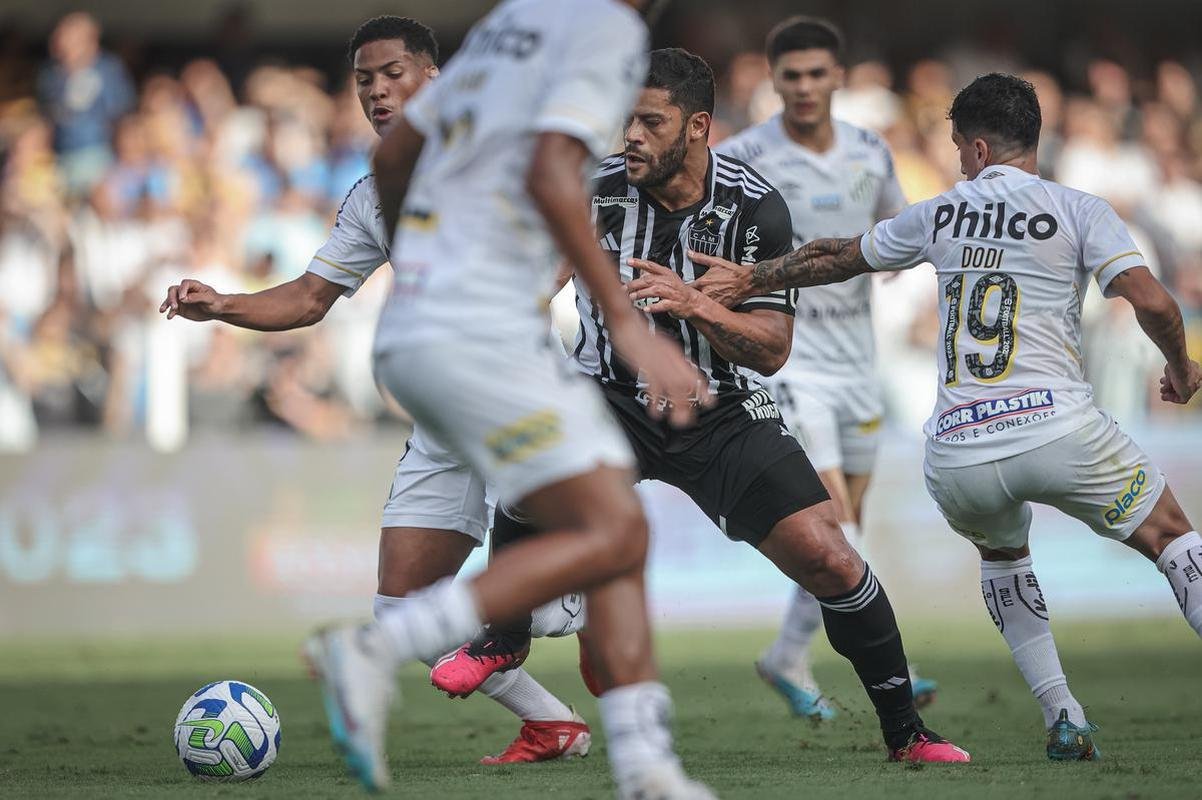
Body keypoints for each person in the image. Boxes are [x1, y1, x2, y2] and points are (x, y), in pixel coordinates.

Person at [436, 47, 971, 766]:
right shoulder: (591, 190)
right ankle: (505, 636)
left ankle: (908, 734)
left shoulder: (754, 207)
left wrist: (695, 304)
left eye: (648, 122)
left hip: (719, 411)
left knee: (831, 558)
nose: (629, 136)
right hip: (609, 397)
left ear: (696, 127)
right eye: (624, 119)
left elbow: (773, 349)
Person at [688, 72, 1202, 762]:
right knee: (1173, 538)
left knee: (1003, 555)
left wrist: (751, 278)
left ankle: (1064, 715)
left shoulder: (941, 212)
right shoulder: (1081, 210)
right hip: (1058, 429)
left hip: (959, 451)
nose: (959, 160)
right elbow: (1156, 303)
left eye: (960, 147)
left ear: (981, 147)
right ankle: (1065, 714)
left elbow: (838, 257)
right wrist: (1179, 364)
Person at [303, 2, 716, 796]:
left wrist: (422, 260)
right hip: (481, 326)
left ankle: (645, 766)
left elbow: (397, 160)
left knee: (615, 530)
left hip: (423, 323)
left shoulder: (510, 24)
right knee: (616, 528)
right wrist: (630, 330)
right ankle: (378, 647)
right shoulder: (605, 31)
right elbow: (548, 171)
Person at [160, 15, 591, 767]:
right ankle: (554, 724)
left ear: (435, 78)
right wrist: (222, 304)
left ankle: (565, 593)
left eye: (394, 74)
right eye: (365, 80)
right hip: (439, 413)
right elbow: (308, 297)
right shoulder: (374, 192)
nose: (378, 91)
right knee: (400, 605)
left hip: (518, 393)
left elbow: (565, 236)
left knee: (539, 589)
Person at [715, 15, 936, 722]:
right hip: (787, 362)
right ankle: (880, 663)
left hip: (858, 365)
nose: (806, 87)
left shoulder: (872, 152)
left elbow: (894, 236)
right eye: (792, 75)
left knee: (853, 524)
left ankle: (786, 652)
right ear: (772, 79)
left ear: (838, 77)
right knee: (835, 519)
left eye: (818, 74)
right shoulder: (746, 155)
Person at [36, 12, 135, 195]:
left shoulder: (108, 70)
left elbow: (121, 116)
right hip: (60, 158)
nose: (62, 41)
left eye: (69, 36)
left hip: (99, 156)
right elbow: (46, 119)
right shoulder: (51, 75)